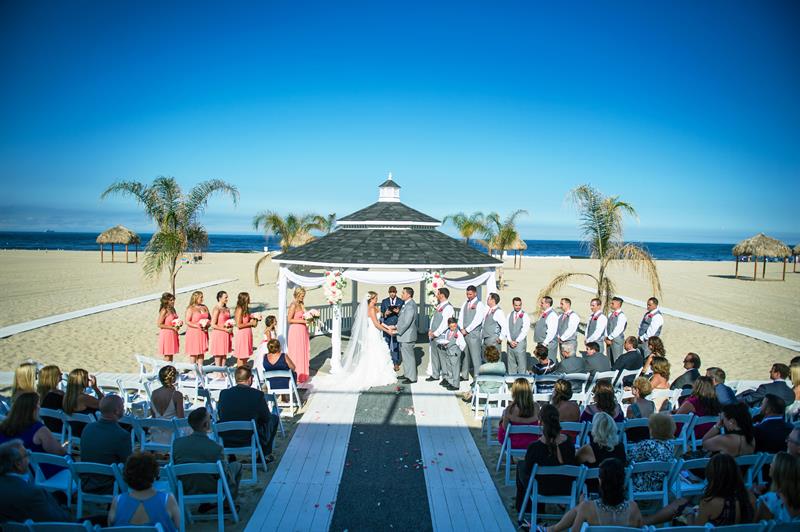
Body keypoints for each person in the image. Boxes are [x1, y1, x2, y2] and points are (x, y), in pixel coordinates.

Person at [316, 292, 400, 391]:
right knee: (373, 352)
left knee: (377, 352)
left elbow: (380, 322)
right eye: (375, 298)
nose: (377, 299)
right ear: (371, 299)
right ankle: (372, 374)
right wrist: (387, 331)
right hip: (373, 333)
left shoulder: (376, 308)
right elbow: (376, 324)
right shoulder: (371, 309)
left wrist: (388, 327)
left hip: (378, 333)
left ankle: (380, 372)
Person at [547, 458, 643, 531]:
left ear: (600, 481)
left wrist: (581, 506)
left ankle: (551, 529)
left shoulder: (587, 508)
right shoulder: (633, 508)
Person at [515, 404, 576, 514]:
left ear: (541, 422)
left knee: (521, 466)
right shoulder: (568, 442)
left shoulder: (535, 447)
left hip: (542, 489)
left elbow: (529, 472)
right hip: (565, 487)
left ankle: (525, 509)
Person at [172, 408, 242, 500]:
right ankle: (227, 504)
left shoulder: (177, 444)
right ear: (206, 424)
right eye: (210, 418)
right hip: (212, 489)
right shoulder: (216, 448)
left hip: (186, 487)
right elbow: (224, 476)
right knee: (237, 466)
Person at [0, 439, 72, 523]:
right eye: (27, 455)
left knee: (59, 496)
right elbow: (61, 521)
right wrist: (66, 509)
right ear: (18, 464)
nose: (29, 460)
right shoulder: (33, 493)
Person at [218, 366, 280, 462]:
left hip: (227, 438)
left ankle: (231, 455)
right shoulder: (257, 395)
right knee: (274, 418)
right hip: (249, 438)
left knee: (228, 420)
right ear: (250, 378)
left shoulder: (224, 393)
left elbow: (221, 414)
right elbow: (266, 418)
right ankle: (264, 455)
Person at [0, 392, 66, 479]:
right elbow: (59, 451)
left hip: (8, 473)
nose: (40, 407)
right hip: (40, 473)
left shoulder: (3, 427)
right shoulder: (38, 429)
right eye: (38, 404)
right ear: (33, 408)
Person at [109, 452, 180, 531]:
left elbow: (111, 526)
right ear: (155, 473)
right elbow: (179, 526)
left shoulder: (117, 501)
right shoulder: (168, 500)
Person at [80, 395, 133, 493]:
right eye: (122, 407)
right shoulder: (122, 435)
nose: (124, 409)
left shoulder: (87, 428)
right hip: (109, 485)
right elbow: (128, 464)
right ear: (117, 411)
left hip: (86, 482)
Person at [626, 413, 676, 493]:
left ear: (653, 429)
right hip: (660, 486)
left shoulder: (645, 445)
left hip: (639, 487)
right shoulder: (670, 446)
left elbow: (628, 459)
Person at [754, 451, 800, 523]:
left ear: (779, 469)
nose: (770, 464)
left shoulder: (770, 500)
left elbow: (757, 528)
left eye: (773, 462)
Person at [497, 378, 539, 450]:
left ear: (514, 392)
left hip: (513, 443)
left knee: (502, 426)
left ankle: (511, 457)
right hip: (533, 443)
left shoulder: (509, 409)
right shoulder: (536, 406)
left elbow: (505, 429)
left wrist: (502, 418)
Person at [62, 368, 103, 437]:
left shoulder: (66, 397)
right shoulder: (83, 398)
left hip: (75, 432)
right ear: (81, 381)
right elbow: (105, 405)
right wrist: (95, 387)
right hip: (90, 434)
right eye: (86, 378)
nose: (89, 380)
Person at [149, 365, 185, 445]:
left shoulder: (154, 393)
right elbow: (181, 420)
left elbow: (153, 416)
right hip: (171, 436)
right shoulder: (177, 395)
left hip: (156, 435)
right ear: (174, 378)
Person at [458, 285, 486, 380]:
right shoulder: (465, 303)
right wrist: (461, 328)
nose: (468, 296)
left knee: (475, 357)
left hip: (473, 334)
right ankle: (464, 375)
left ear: (475, 293)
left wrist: (467, 329)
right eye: (467, 294)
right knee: (465, 356)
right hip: (464, 333)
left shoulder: (480, 304)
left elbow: (478, 320)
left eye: (470, 294)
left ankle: (477, 378)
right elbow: (461, 316)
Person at [426, 288, 453, 384]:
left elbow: (445, 323)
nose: (436, 295)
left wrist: (436, 333)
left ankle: (446, 377)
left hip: (441, 336)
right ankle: (435, 374)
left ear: (442, 295)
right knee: (434, 356)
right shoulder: (439, 306)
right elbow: (433, 318)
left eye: (437, 293)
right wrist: (430, 329)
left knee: (443, 357)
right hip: (433, 334)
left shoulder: (448, 307)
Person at [392, 287, 419, 384]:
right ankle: (407, 374)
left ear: (408, 295)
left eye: (403, 293)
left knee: (409, 357)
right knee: (405, 357)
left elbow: (407, 322)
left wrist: (397, 331)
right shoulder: (406, 304)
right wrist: (395, 326)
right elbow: (403, 319)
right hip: (405, 335)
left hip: (407, 335)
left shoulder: (410, 305)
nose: (401, 295)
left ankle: (412, 378)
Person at [285, 287, 309, 381]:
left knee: (302, 351)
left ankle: (302, 374)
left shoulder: (301, 304)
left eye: (304, 296)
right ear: (297, 295)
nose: (303, 298)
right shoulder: (293, 305)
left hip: (302, 331)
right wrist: (302, 321)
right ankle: (296, 374)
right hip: (295, 331)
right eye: (302, 296)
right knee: (296, 351)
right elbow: (289, 320)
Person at [436, 318, 465, 391]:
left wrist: (458, 352)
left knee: (455, 369)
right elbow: (446, 340)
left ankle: (456, 385)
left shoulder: (458, 333)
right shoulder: (448, 332)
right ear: (448, 326)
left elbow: (463, 344)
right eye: (451, 326)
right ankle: (450, 381)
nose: (453, 328)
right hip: (448, 352)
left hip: (454, 353)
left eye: (454, 326)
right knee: (449, 368)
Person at [381, 286, 405, 372]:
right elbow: (381, 314)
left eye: (393, 292)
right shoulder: (384, 301)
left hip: (396, 325)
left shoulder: (401, 301)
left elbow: (403, 315)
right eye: (390, 292)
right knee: (386, 344)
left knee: (395, 345)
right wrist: (385, 314)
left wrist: (398, 312)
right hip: (386, 325)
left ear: (396, 292)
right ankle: (386, 362)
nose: (392, 293)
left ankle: (396, 363)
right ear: (388, 292)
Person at [234, 291, 260, 368]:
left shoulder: (246, 309)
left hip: (247, 333)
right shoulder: (239, 309)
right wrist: (250, 324)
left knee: (245, 355)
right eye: (248, 298)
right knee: (241, 356)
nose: (249, 299)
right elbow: (238, 325)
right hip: (242, 334)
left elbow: (249, 321)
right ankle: (240, 371)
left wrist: (256, 318)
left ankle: (244, 370)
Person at [37, 364, 64, 434]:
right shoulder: (58, 395)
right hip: (63, 428)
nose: (62, 374)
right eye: (59, 373)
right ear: (52, 377)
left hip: (48, 428)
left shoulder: (41, 395)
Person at [185, 290, 210, 365]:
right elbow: (187, 321)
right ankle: (193, 369)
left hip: (203, 331)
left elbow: (209, 318)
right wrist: (197, 325)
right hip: (194, 332)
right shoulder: (191, 308)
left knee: (201, 351)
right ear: (195, 298)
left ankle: (200, 368)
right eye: (201, 297)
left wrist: (207, 324)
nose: (202, 299)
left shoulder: (204, 307)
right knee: (194, 351)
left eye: (202, 297)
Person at [506, 297, 530, 374]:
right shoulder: (509, 314)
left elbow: (525, 330)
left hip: (519, 343)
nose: (518, 307)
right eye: (516, 305)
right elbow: (506, 328)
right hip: (510, 343)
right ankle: (511, 380)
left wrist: (516, 341)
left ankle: (521, 381)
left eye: (519, 305)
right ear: (513, 305)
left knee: (521, 363)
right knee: (511, 362)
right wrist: (510, 340)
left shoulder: (525, 315)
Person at [209, 290, 233, 367]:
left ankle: (223, 370)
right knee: (219, 353)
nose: (227, 299)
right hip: (219, 333)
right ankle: (218, 371)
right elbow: (213, 324)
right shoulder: (217, 309)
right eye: (225, 297)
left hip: (226, 333)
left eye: (227, 297)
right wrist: (225, 329)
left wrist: (230, 327)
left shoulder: (227, 309)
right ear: (220, 298)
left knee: (224, 353)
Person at [533, 296, 559, 363]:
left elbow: (551, 331)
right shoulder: (545, 313)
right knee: (542, 363)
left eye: (542, 303)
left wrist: (544, 344)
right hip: (542, 343)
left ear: (547, 304)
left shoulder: (552, 315)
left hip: (547, 344)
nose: (540, 304)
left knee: (548, 363)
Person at [157, 292, 180, 362]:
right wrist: (172, 327)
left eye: (173, 300)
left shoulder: (172, 309)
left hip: (173, 333)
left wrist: (178, 325)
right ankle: (166, 370)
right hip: (166, 333)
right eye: (171, 300)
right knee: (167, 354)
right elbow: (159, 324)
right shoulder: (164, 310)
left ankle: (170, 369)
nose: (173, 301)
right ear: (166, 301)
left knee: (171, 353)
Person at [604, 297, 627, 364]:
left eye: (613, 303)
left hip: (616, 340)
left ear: (618, 304)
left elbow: (619, 329)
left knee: (616, 358)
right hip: (608, 339)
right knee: (609, 357)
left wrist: (610, 337)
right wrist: (606, 336)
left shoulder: (621, 316)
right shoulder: (610, 314)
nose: (611, 304)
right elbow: (607, 326)